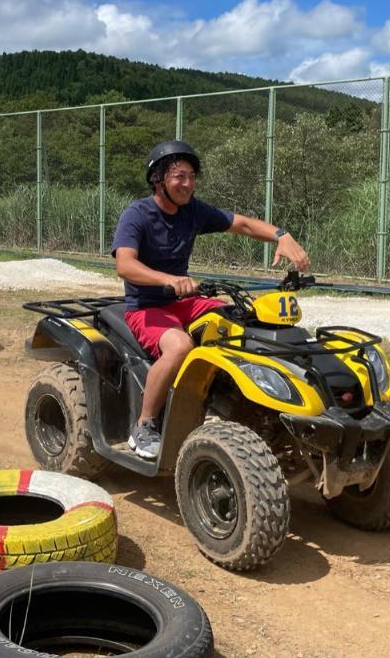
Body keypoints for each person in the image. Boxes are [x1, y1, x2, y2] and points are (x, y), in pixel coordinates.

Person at [111, 140, 310, 459]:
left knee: (241, 322)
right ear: (158, 179)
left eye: (191, 176)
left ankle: (246, 402)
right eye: (179, 176)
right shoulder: (137, 214)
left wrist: (281, 235)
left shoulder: (193, 211)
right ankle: (145, 424)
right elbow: (125, 264)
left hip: (186, 301)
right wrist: (170, 280)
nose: (187, 184)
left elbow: (242, 223)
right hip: (147, 307)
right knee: (179, 347)